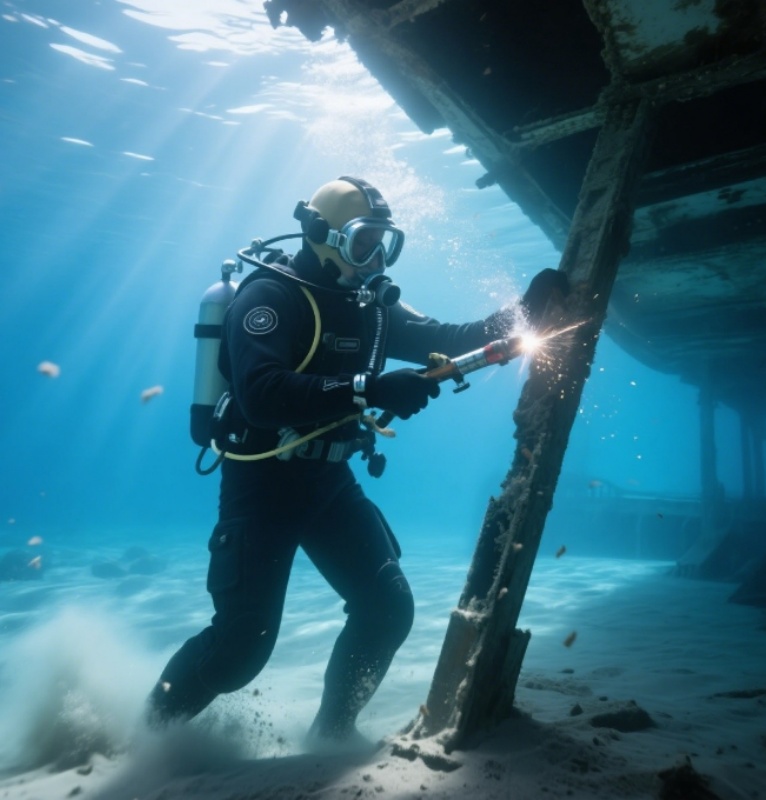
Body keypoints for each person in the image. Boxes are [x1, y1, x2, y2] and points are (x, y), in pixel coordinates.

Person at [146, 176, 568, 747]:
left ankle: (331, 739)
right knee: (242, 645)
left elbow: (447, 337)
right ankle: (143, 739)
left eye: (384, 244)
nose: (374, 258)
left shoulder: (368, 305)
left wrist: (521, 315)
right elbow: (262, 394)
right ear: (322, 234)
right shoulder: (268, 297)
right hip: (263, 481)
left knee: (387, 608)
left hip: (328, 480)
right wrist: (368, 389)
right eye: (364, 241)